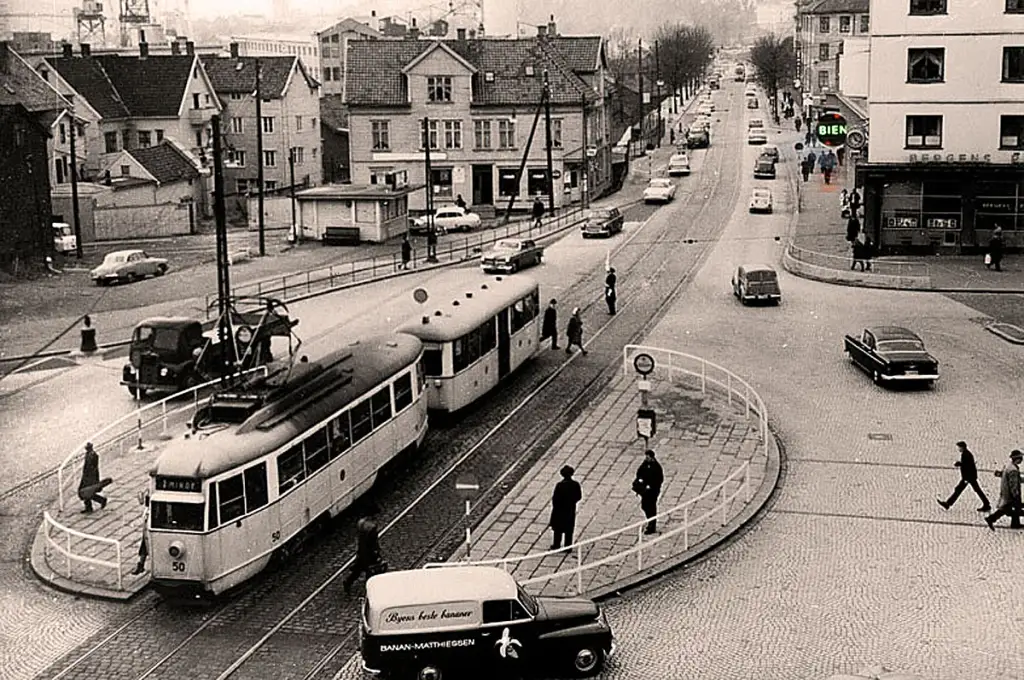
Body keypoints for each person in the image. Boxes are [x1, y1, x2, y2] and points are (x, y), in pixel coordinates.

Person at [938, 441, 991, 513]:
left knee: (960, 490)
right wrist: (960, 464)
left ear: (962, 447)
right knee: (967, 490)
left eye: (959, 447)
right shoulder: (966, 454)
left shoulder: (966, 455)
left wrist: (960, 465)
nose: (958, 449)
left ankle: (948, 504)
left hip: (968, 477)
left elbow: (968, 466)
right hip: (969, 477)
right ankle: (986, 504)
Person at [344, 516, 384, 593]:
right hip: (369, 556)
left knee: (357, 571)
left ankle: (348, 582)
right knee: (369, 571)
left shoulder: (363, 533)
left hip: (362, 555)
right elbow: (373, 545)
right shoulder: (371, 532)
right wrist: (376, 552)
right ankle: (370, 587)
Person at [984, 450, 1022, 531]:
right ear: (1017, 459)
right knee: (1010, 508)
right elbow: (1013, 484)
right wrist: (1016, 494)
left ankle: (1015, 523)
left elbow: (1014, 478)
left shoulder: (1009, 466)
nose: (1022, 460)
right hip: (1010, 494)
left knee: (1010, 508)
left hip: (1005, 492)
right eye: (1021, 458)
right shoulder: (1013, 470)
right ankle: (991, 519)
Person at [549, 465, 582, 550]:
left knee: (557, 529)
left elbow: (555, 498)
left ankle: (556, 545)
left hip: (559, 510)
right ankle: (568, 546)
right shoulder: (575, 484)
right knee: (569, 528)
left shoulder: (560, 485)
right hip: (570, 509)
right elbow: (579, 496)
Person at [633, 449, 664, 534]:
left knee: (651, 507)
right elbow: (639, 472)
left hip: (652, 492)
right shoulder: (645, 463)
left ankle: (652, 525)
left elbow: (659, 480)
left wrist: (651, 486)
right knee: (644, 506)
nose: (646, 458)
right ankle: (650, 521)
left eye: (648, 457)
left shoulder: (656, 467)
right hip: (645, 491)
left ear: (652, 457)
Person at [78, 442, 111, 513]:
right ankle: (92, 505)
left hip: (90, 477)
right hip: (87, 476)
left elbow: (92, 467)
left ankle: (97, 502)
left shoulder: (93, 455)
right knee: (86, 492)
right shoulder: (89, 454)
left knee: (86, 492)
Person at [131, 491, 151, 575]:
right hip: (151, 515)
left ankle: (141, 563)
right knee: (145, 539)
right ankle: (141, 563)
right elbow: (143, 501)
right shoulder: (150, 488)